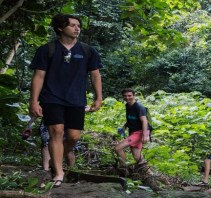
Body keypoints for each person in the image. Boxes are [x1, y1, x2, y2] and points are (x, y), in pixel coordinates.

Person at [29, 14, 103, 187]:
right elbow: (39, 76)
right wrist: (34, 101)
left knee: (74, 137)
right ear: (61, 28)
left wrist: (99, 98)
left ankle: (57, 158)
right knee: (56, 131)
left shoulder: (87, 51)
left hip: (76, 99)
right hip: (51, 98)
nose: (77, 28)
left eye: (78, 25)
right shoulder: (47, 50)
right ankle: (59, 172)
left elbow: (95, 75)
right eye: (72, 25)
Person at [114, 89, 150, 167]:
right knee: (137, 157)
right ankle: (151, 175)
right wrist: (124, 127)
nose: (127, 98)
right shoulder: (128, 105)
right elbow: (131, 118)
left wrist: (145, 135)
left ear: (134, 96)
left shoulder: (139, 107)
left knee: (118, 148)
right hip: (133, 132)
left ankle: (123, 169)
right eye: (125, 96)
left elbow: (144, 121)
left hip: (139, 132)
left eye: (129, 95)